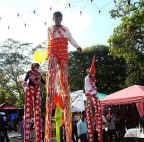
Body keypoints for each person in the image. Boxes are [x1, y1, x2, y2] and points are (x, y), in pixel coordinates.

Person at [45, 11, 82, 142]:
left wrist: (77, 46)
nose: (58, 19)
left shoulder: (66, 29)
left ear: (62, 18)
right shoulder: (49, 29)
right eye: (56, 17)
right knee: (52, 75)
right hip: (53, 54)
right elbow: (47, 42)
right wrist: (47, 54)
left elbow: (71, 39)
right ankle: (52, 92)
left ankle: (63, 93)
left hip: (63, 55)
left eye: (60, 17)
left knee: (64, 79)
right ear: (53, 18)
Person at [23, 63, 44, 142]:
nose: (38, 68)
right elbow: (25, 79)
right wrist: (25, 85)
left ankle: (38, 137)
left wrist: (47, 84)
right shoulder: (29, 72)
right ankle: (27, 138)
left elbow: (42, 81)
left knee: (38, 109)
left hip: (37, 90)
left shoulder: (39, 74)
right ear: (33, 67)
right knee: (29, 108)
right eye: (36, 66)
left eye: (38, 67)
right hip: (30, 89)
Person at [84, 65, 103, 142]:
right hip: (90, 95)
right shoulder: (87, 78)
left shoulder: (93, 79)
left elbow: (94, 87)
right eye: (89, 71)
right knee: (90, 111)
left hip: (94, 96)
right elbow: (88, 90)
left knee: (97, 111)